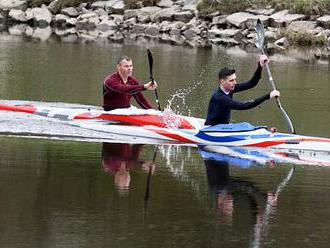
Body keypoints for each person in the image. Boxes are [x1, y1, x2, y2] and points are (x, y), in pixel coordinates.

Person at [205, 55, 280, 126]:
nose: (235, 82)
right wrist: (268, 96)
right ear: (222, 81)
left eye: (235, 79)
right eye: (231, 80)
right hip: (211, 130)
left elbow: (251, 84)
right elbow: (244, 105)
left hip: (223, 128)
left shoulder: (230, 88)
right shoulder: (219, 97)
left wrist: (260, 66)